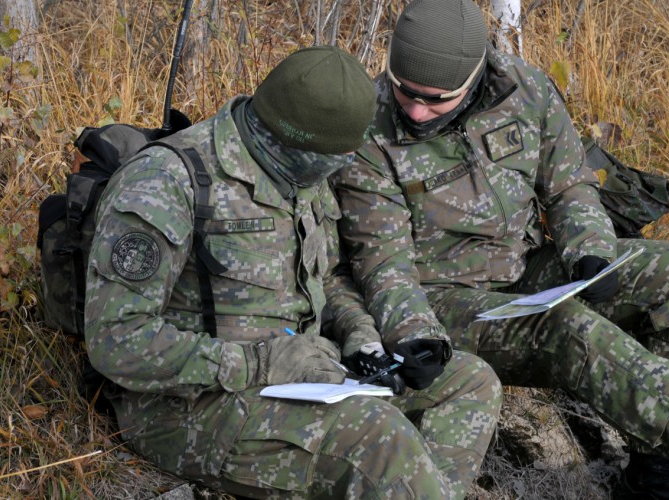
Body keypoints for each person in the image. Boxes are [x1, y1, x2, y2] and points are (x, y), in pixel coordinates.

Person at [328, 0, 669, 498]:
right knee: (563, 327)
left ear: (472, 78)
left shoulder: (526, 90)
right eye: (406, 92)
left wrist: (590, 251)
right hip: (440, 301)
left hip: (526, 266)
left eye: (436, 99)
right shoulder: (369, 132)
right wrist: (413, 333)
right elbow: (383, 261)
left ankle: (655, 473)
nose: (417, 111)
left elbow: (569, 186)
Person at [84, 45, 501, 498]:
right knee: (377, 438)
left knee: (470, 382)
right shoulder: (167, 183)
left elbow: (325, 277)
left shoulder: (301, 172)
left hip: (309, 374)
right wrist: (261, 363)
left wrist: (361, 334)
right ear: (292, 143)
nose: (341, 169)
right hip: (189, 406)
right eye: (332, 161)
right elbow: (115, 339)